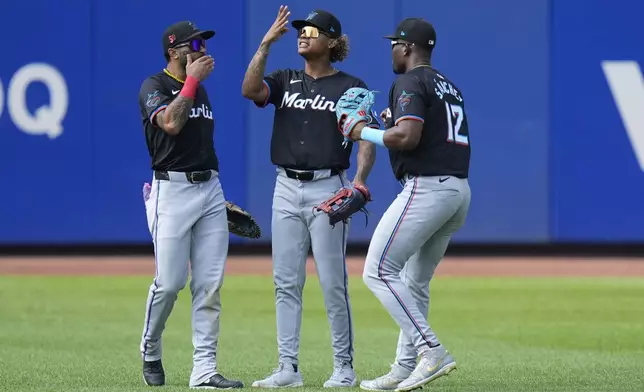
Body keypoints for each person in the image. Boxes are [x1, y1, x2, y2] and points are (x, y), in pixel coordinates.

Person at [241, 6, 379, 389]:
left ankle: (344, 368)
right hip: (285, 186)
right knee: (285, 281)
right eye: (302, 30)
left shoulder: (350, 87)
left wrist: (359, 182)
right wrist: (266, 44)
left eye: (313, 31)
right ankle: (288, 368)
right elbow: (250, 89)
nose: (303, 34)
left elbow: (365, 138)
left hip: (328, 187)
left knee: (333, 281)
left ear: (333, 42)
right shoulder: (284, 80)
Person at [345, 18, 472, 392]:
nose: (392, 51)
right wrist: (390, 119)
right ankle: (404, 367)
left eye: (394, 45)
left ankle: (431, 351)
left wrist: (361, 131)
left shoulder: (409, 80)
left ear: (406, 48)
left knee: (378, 271)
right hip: (458, 191)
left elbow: (408, 136)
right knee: (414, 282)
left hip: (428, 188)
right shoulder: (448, 85)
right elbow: (421, 128)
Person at [137, 20, 243, 389]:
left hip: (209, 189)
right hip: (173, 190)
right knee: (169, 283)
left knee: (210, 285)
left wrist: (212, 194)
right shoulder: (155, 86)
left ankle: (204, 370)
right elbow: (170, 124)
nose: (201, 48)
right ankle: (150, 347)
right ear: (173, 51)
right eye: (193, 43)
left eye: (202, 42)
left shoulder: (200, 90)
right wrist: (192, 82)